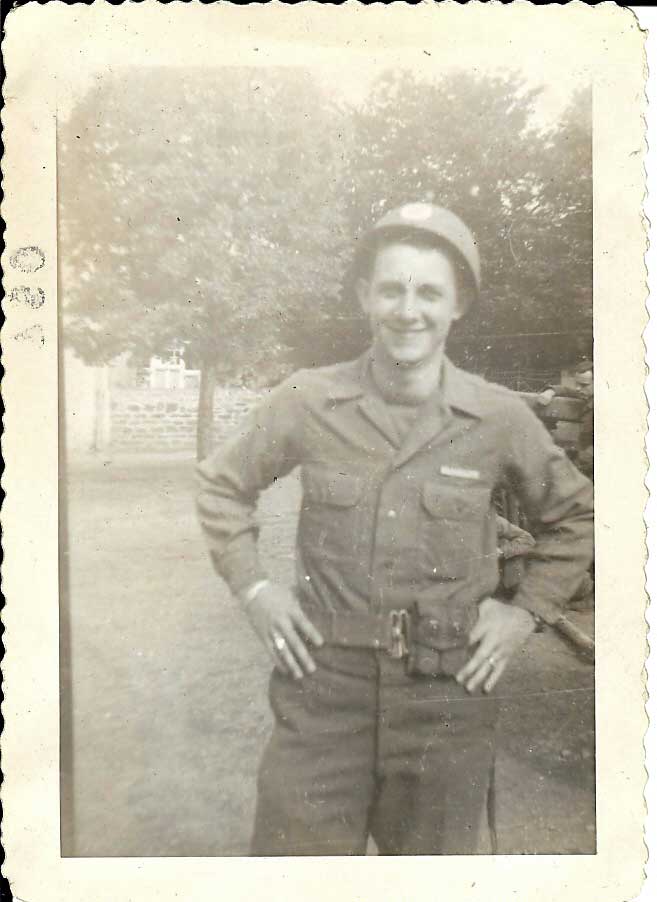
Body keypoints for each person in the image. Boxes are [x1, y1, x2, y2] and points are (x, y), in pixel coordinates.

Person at [197, 202, 594, 856]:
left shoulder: (497, 417)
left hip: (447, 698)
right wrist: (254, 589)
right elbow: (221, 482)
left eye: (428, 292)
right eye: (391, 289)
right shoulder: (308, 399)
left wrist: (525, 613)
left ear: (457, 304)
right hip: (322, 693)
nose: (408, 310)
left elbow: (577, 514)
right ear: (364, 296)